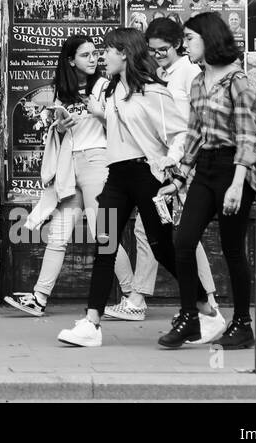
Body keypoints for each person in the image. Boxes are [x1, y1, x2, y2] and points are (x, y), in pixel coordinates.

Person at [55, 28, 221, 347]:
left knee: (162, 247)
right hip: (117, 175)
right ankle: (91, 323)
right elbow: (117, 127)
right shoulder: (113, 91)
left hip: (147, 174)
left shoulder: (153, 92)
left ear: (125, 54)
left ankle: (206, 309)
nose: (103, 56)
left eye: (108, 51)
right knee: (105, 243)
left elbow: (180, 133)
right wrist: (91, 116)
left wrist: (167, 166)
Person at [157, 13, 256, 350]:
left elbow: (249, 138)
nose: (185, 44)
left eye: (190, 38)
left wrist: (237, 184)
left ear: (209, 38)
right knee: (182, 241)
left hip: (235, 169)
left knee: (233, 250)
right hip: (205, 168)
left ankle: (243, 324)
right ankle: (190, 317)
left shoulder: (238, 82)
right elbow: (194, 134)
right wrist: (179, 176)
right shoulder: (198, 81)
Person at [106, 19, 220, 324]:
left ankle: (148, 299)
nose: (157, 55)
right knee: (170, 234)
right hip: (166, 164)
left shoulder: (191, 73)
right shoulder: (159, 74)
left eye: (163, 49)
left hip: (185, 162)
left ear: (178, 46)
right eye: (152, 50)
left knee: (171, 234)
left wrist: (179, 161)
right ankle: (202, 300)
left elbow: (191, 123)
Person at [4, 35, 108, 317]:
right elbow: (60, 133)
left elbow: (119, 124)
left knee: (104, 232)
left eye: (95, 53)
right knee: (58, 234)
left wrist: (98, 114)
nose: (93, 58)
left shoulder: (104, 86)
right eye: (85, 55)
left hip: (97, 160)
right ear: (71, 60)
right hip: (70, 165)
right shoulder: (65, 91)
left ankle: (133, 298)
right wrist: (61, 126)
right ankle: (39, 298)